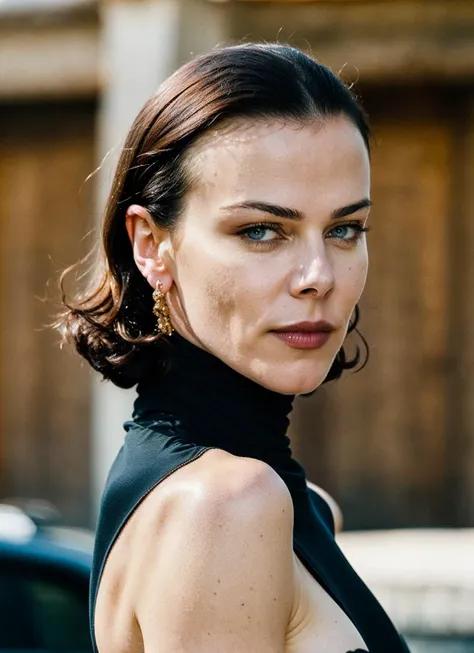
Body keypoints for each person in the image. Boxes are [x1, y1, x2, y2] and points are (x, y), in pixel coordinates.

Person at [56, 43, 409, 653]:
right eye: (261, 230)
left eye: (345, 228)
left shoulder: (278, 502)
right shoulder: (226, 508)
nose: (318, 275)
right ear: (150, 244)